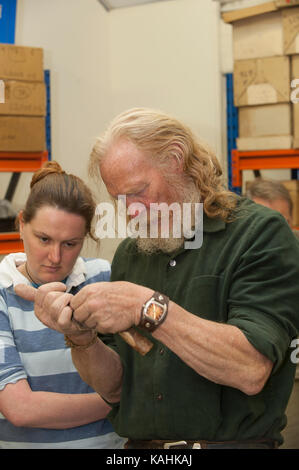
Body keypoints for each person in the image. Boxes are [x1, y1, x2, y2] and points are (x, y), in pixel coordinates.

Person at [16, 108, 299, 449]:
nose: (132, 210)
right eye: (120, 199)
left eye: (139, 191)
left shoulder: (258, 234)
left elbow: (250, 369)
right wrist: (80, 338)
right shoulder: (130, 255)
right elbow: (117, 388)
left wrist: (146, 307)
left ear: (176, 160)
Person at [0, 161, 125, 449]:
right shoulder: (2, 294)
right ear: (21, 224)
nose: (55, 257)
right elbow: (21, 409)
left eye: (70, 244)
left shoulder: (104, 277)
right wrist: (120, 399)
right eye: (44, 239)